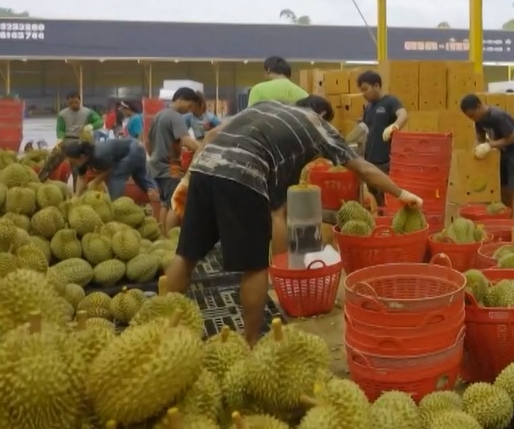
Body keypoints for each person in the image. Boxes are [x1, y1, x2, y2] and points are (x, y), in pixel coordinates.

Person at [163, 96, 423, 345]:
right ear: (321, 114)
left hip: (203, 168)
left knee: (187, 255)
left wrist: (187, 180)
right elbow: (363, 169)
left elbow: (210, 136)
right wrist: (402, 194)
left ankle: (163, 329)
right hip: (244, 175)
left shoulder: (265, 107)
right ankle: (250, 342)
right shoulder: (318, 127)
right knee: (254, 267)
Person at [459, 94, 514, 219]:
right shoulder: (478, 121)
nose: (472, 119)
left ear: (479, 106)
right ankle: (506, 216)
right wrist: (475, 150)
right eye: (469, 117)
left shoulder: (497, 116)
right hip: (503, 152)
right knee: (502, 187)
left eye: (472, 115)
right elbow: (480, 139)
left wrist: (489, 145)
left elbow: (512, 138)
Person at [148, 87, 203, 229]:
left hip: (155, 166)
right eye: (189, 105)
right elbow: (185, 140)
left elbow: (147, 141)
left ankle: (162, 237)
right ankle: (169, 239)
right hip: (170, 168)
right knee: (174, 204)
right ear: (180, 99)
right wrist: (204, 149)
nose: (190, 110)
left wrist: (155, 156)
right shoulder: (175, 116)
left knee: (163, 204)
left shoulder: (158, 115)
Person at [353, 71, 409, 204]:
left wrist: (395, 125)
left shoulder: (390, 101)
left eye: (366, 89)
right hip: (370, 160)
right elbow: (367, 128)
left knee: (388, 197)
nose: (364, 94)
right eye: (361, 91)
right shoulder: (368, 107)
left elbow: (403, 114)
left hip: (386, 160)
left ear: (376, 85)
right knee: (375, 197)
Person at [61, 137, 160, 205]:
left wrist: (96, 181)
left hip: (134, 149)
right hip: (136, 147)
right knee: (140, 177)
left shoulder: (99, 155)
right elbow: (82, 177)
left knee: (116, 177)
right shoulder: (82, 160)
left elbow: (111, 168)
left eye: (72, 161)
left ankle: (116, 206)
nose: (72, 164)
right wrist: (76, 196)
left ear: (82, 157)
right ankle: (158, 198)